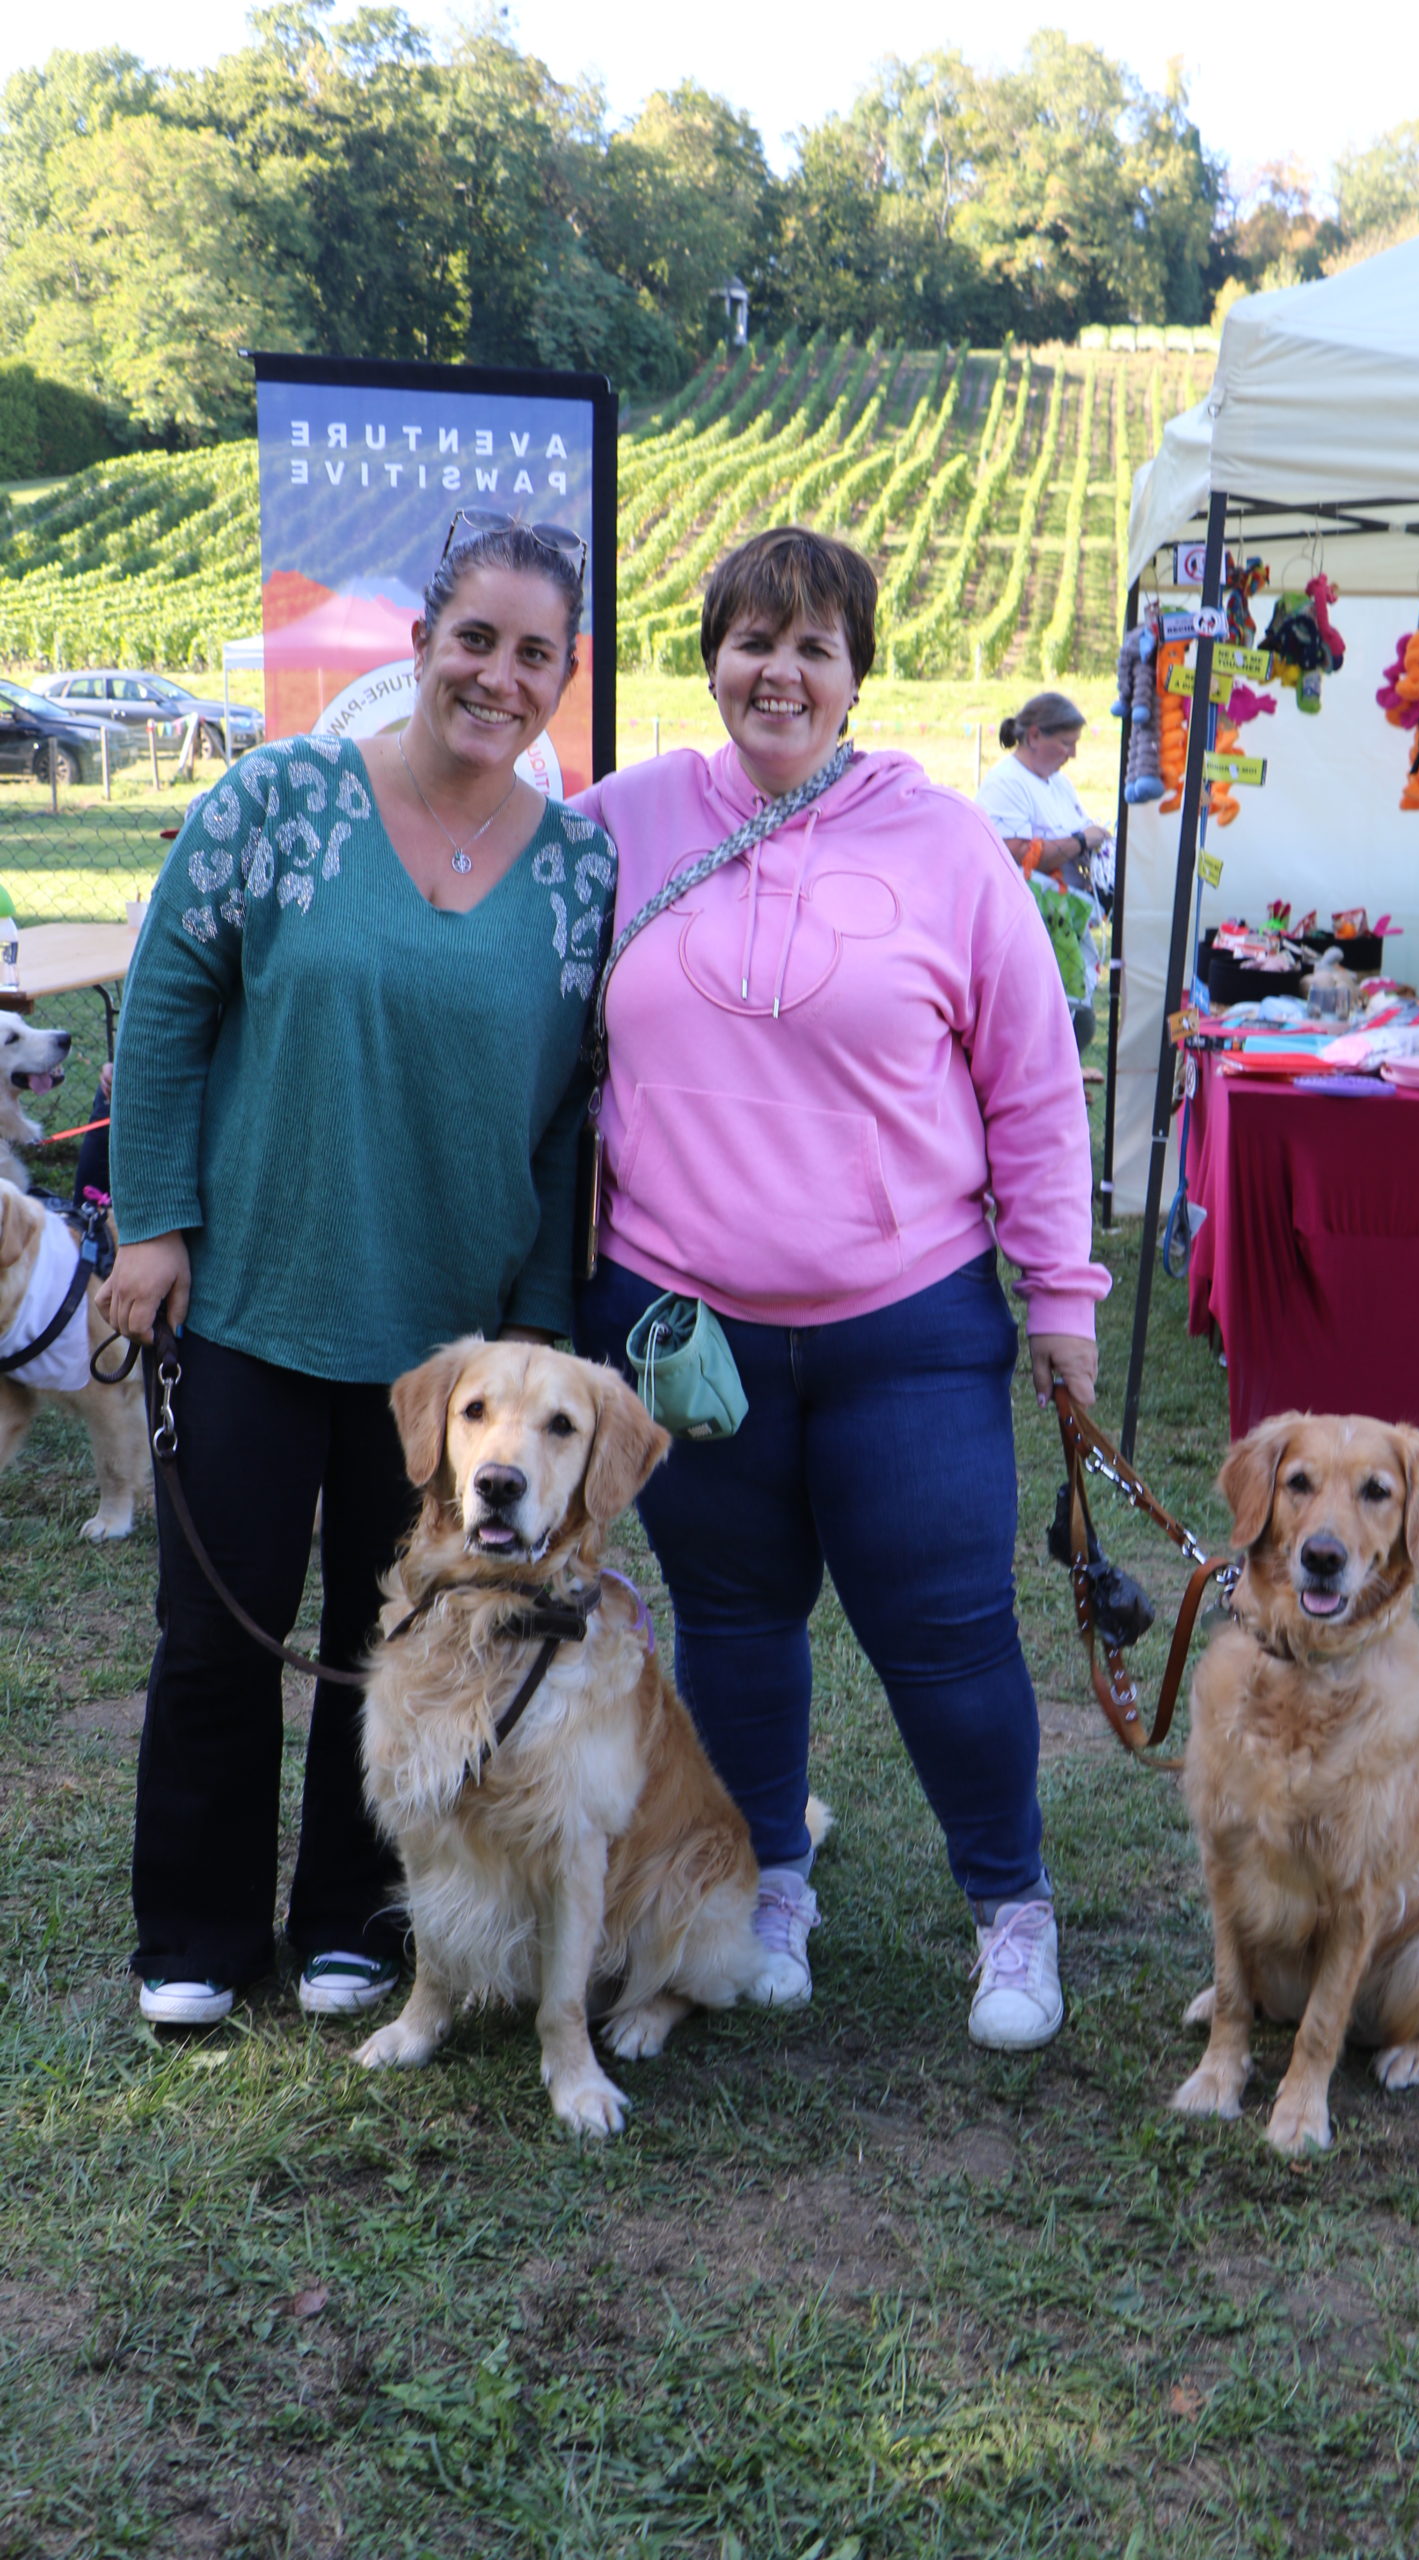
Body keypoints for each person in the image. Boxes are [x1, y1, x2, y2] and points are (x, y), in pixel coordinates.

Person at [570, 526, 1108, 2053]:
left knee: (946, 1634)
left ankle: (1008, 1904)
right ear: (711, 660)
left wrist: (1058, 1297)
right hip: (681, 1326)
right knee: (734, 1622)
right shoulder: (615, 826)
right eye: (752, 641)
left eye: (813, 646)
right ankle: (769, 1883)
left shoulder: (944, 845)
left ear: (856, 674)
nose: (779, 673)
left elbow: (1031, 1083)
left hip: (907, 1327)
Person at [97, 515, 614, 2030]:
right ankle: (196, 1931)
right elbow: (167, 998)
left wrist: (536, 1328)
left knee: (398, 1637)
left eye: (533, 654)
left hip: (449, 1351)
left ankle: (349, 1915)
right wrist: (152, 1222)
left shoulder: (580, 870)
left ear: (563, 678)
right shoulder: (277, 799)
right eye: (476, 639)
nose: (498, 676)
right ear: (420, 643)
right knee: (218, 1632)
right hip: (252, 1302)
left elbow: (565, 1114)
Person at [976, 691, 1112, 1054]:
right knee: (1042, 1035)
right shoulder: (1006, 783)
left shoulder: (1059, 783)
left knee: (1076, 1026)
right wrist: (1082, 841)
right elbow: (1016, 854)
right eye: (1066, 743)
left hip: (1061, 929)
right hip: (1024, 935)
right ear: (1034, 736)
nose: (1073, 753)